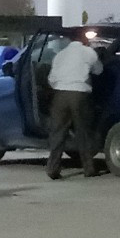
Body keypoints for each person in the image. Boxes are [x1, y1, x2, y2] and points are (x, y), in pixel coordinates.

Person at [44, 35, 103, 180]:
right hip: (80, 94)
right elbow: (99, 70)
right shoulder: (88, 52)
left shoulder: (60, 55)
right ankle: (88, 168)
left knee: (58, 132)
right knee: (83, 131)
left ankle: (52, 168)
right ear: (85, 41)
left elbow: (51, 79)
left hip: (60, 95)